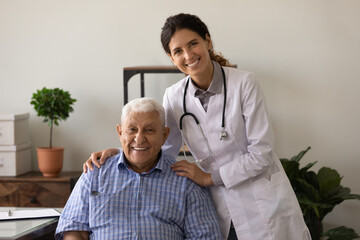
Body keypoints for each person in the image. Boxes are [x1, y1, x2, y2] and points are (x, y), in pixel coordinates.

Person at [83, 13, 311, 240]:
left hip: (263, 203)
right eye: (178, 51)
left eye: (193, 44)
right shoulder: (173, 96)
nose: (188, 55)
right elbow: (163, 149)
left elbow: (262, 153)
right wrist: (122, 153)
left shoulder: (244, 83)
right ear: (172, 58)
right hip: (221, 207)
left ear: (208, 42)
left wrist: (209, 177)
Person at [56, 97, 222, 240]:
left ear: (164, 135)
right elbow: (74, 229)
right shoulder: (95, 173)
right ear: (120, 133)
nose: (139, 138)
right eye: (132, 129)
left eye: (149, 130)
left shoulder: (186, 181)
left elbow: (205, 236)